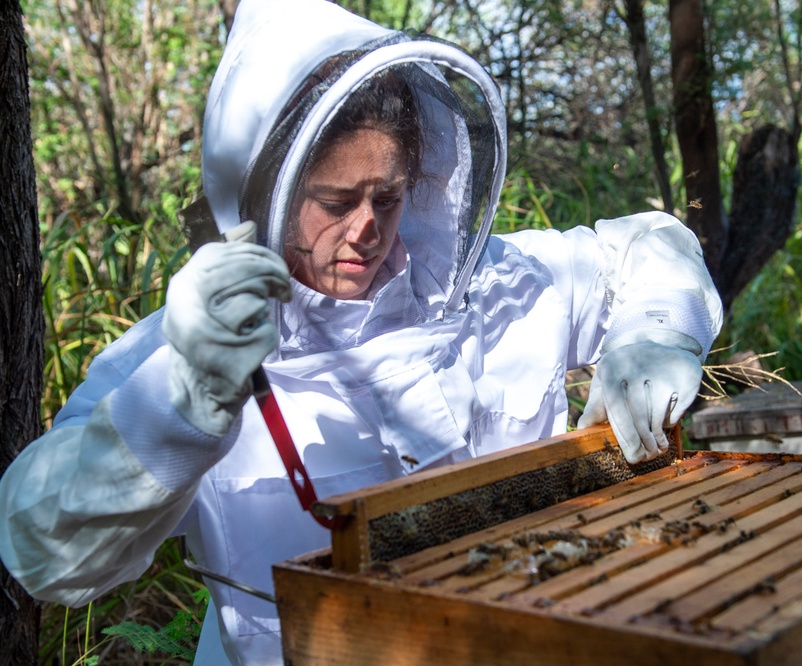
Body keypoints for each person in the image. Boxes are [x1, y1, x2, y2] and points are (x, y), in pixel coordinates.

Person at [0, 0, 723, 663]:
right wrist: (183, 401)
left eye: (389, 194)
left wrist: (656, 334)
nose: (367, 228)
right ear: (265, 189)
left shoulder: (490, 287)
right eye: (335, 200)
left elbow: (645, 250)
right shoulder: (186, 350)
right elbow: (45, 552)